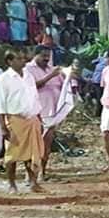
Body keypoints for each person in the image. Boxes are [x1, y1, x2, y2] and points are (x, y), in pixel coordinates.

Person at [0, 51, 45, 193]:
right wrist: (3, 127)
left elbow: (34, 97)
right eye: (19, 58)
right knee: (12, 155)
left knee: (32, 153)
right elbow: (0, 105)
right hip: (15, 120)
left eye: (24, 58)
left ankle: (33, 182)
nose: (23, 61)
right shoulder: (3, 79)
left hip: (32, 118)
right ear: (9, 61)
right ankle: (12, 184)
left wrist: (39, 118)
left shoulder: (28, 76)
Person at [25, 46, 68, 179]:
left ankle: (42, 172)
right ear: (35, 55)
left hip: (52, 113)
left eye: (48, 56)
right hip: (35, 113)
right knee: (33, 145)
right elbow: (32, 86)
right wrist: (50, 76)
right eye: (43, 56)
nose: (46, 59)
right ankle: (30, 174)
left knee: (46, 144)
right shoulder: (27, 69)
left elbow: (64, 86)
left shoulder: (52, 69)